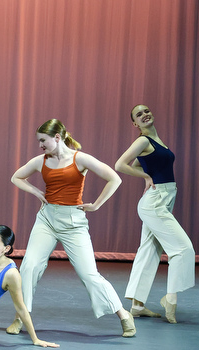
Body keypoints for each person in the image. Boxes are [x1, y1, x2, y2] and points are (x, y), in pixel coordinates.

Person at [8, 119, 135, 337]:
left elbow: (114, 179)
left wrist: (96, 205)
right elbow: (16, 177)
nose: (40, 145)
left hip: (73, 223)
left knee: (89, 274)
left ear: (57, 137)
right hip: (46, 220)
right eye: (39, 141)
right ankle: (22, 316)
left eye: (43, 140)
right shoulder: (41, 161)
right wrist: (37, 193)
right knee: (29, 267)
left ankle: (123, 314)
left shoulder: (80, 159)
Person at [114, 104, 195, 323]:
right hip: (155, 202)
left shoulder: (157, 142)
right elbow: (120, 165)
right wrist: (146, 178)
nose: (144, 115)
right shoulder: (143, 141)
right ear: (135, 123)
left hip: (165, 199)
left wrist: (145, 172)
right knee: (183, 248)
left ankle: (137, 305)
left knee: (149, 250)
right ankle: (171, 298)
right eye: (139, 114)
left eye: (146, 111)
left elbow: (140, 164)